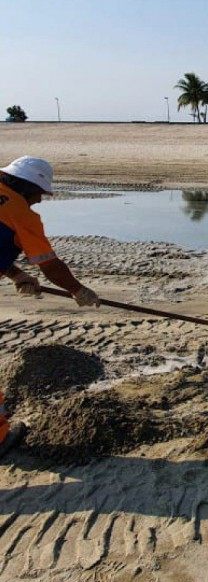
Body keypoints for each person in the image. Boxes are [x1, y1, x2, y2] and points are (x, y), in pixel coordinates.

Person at [0, 156, 100, 458]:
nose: (38, 202)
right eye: (38, 195)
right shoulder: (21, 214)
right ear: (29, 188)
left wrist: (16, 274)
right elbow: (50, 264)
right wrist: (77, 290)